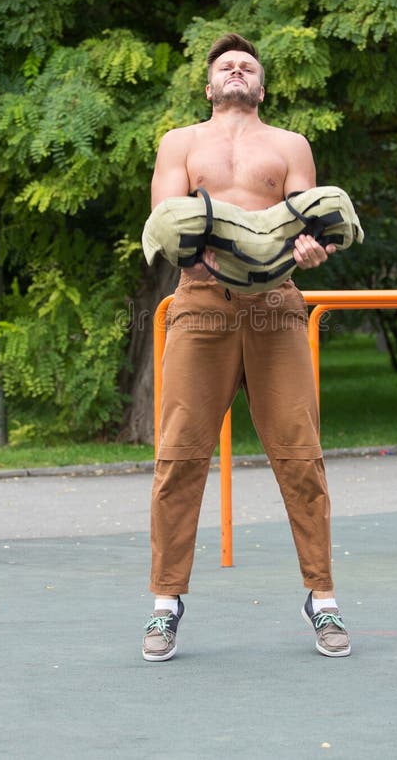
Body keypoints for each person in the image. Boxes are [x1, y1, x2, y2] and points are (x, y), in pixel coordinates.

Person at [142, 33, 351, 661]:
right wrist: (197, 258)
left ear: (261, 87)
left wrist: (311, 250)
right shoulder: (181, 142)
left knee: (301, 456)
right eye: (226, 66)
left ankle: (323, 599)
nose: (237, 71)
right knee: (179, 457)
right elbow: (166, 219)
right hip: (200, 305)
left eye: (247, 66)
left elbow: (306, 222)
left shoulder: (290, 145)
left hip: (276, 306)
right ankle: (164, 606)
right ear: (209, 87)